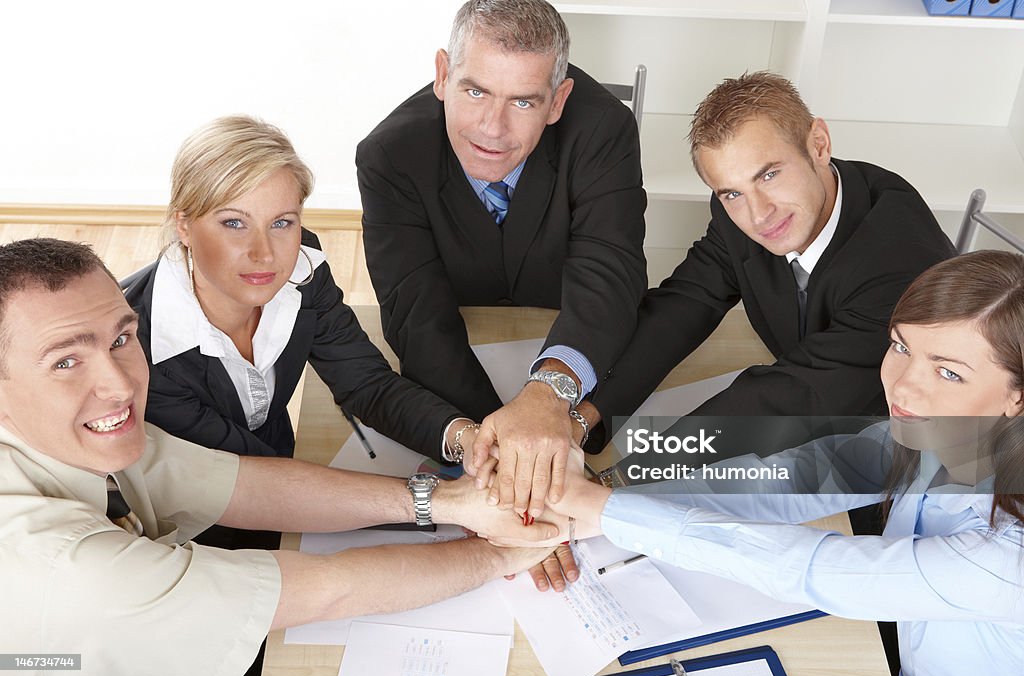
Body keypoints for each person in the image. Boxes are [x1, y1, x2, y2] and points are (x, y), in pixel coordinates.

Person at [0, 238, 556, 676]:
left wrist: (452, 501)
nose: (120, 385)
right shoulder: (73, 571)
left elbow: (246, 486)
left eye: (122, 338)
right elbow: (328, 587)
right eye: (66, 361)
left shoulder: (72, 432)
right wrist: (504, 553)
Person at [500, 251, 1024, 676]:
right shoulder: (938, 433)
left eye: (949, 374)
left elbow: (812, 568)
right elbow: (798, 476)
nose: (905, 385)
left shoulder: (1009, 557)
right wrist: (604, 507)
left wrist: (605, 508)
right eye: (900, 347)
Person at [123, 116, 483, 552]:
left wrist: (469, 440)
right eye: (234, 223)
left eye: (282, 222)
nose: (265, 253)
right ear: (183, 225)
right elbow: (250, 481)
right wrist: (445, 503)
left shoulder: (301, 269)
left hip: (284, 475)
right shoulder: (138, 350)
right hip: (192, 533)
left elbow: (367, 384)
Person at [356, 0, 647, 521]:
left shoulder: (605, 130)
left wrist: (548, 394)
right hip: (461, 362)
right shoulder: (389, 154)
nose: (492, 128)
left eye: (523, 102)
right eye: (475, 91)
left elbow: (610, 275)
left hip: (571, 343)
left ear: (557, 101)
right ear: (443, 75)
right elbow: (417, 318)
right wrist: (505, 458)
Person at [576, 71, 955, 450]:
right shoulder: (739, 210)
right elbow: (686, 303)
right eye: (731, 193)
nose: (758, 214)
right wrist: (582, 416)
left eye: (769, 175)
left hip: (896, 448)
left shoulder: (902, 263)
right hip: (803, 415)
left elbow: (790, 397)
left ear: (819, 145)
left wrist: (636, 472)